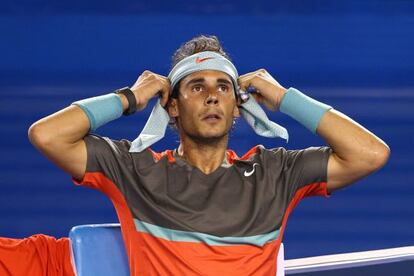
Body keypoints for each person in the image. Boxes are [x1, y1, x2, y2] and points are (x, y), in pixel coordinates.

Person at [2, 35, 389, 275]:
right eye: (196, 86)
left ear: (237, 106)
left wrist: (286, 97)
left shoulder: (276, 172)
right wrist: (130, 98)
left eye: (223, 87)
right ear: (171, 105)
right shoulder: (134, 169)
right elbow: (47, 134)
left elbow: (369, 153)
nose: (211, 95)